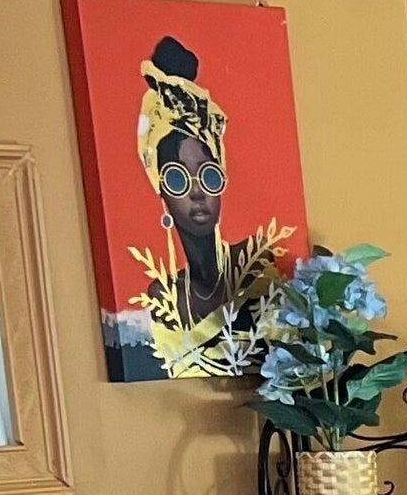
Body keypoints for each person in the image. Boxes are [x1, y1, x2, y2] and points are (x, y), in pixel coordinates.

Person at [116, 38, 291, 379]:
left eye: (208, 175)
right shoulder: (162, 299)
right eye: (178, 179)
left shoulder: (258, 267)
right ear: (161, 190)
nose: (197, 192)